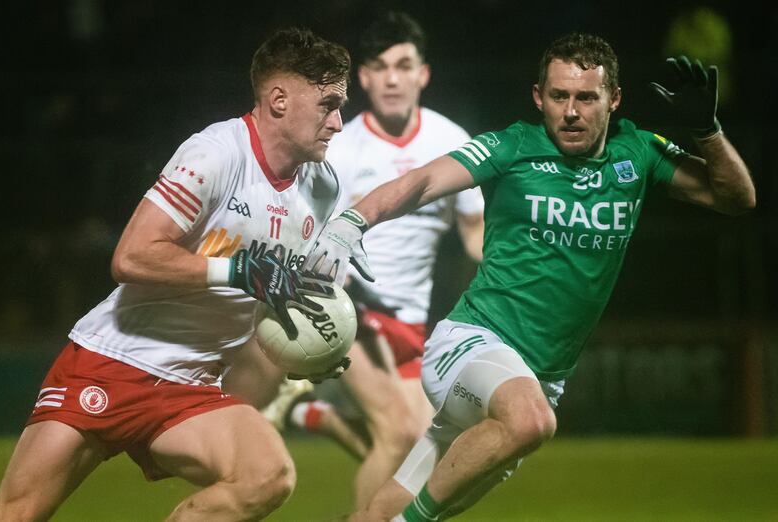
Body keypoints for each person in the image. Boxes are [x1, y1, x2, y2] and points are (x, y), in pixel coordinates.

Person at [306, 32, 756, 521]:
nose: (571, 111)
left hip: (540, 380)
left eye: (586, 97)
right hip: (472, 343)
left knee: (378, 512)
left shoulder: (639, 153)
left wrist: (707, 131)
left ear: (614, 99)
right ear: (539, 97)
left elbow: (737, 198)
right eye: (559, 96)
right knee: (531, 423)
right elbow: (422, 182)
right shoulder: (512, 146)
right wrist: (353, 222)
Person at [0, 27, 351, 522]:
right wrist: (236, 269)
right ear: (279, 99)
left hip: (191, 385)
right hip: (114, 360)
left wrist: (310, 345)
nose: (338, 123)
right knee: (15, 514)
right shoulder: (217, 154)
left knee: (266, 477)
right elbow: (132, 257)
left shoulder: (322, 188)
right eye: (328, 105)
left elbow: (270, 287)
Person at [262, 11, 484, 509]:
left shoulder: (452, 142)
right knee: (401, 432)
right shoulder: (339, 147)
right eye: (380, 67)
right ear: (362, 78)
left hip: (412, 318)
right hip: (346, 307)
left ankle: (315, 414)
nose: (391, 79)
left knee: (424, 447)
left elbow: (475, 232)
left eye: (403, 66)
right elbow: (299, 229)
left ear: (423, 74)